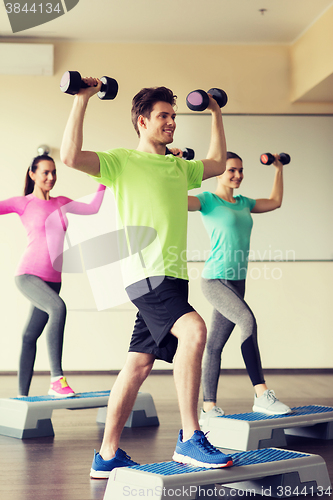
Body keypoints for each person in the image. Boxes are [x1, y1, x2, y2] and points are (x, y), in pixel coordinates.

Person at [60, 80, 233, 477]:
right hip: (145, 273)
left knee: (137, 365)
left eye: (173, 116)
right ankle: (191, 437)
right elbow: (69, 156)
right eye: (163, 116)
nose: (171, 122)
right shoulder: (121, 161)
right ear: (142, 121)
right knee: (194, 331)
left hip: (172, 276)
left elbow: (218, 163)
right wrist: (82, 99)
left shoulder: (178, 166)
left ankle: (106, 455)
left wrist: (216, 112)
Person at [188, 151, 291, 421]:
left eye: (241, 170)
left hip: (237, 280)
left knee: (214, 345)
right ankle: (261, 394)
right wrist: (174, 164)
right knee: (248, 321)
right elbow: (176, 199)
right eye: (232, 170)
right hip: (215, 279)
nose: (238, 175)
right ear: (219, 172)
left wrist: (278, 169)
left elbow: (276, 202)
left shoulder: (244, 203)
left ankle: (208, 408)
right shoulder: (206, 200)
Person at [0, 155, 106, 397]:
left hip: (53, 280)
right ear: (32, 174)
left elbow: (94, 208)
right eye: (45, 172)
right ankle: (57, 380)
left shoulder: (62, 202)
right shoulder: (23, 203)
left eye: (54, 172)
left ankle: (21, 397)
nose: (51, 177)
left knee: (29, 336)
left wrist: (103, 179)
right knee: (58, 309)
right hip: (28, 275)